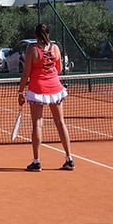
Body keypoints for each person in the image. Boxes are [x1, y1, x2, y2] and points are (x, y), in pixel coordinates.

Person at [16, 23, 74, 172]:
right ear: (48, 34)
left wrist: (20, 92)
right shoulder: (56, 48)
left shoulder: (32, 50)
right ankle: (69, 159)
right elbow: (59, 68)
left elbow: (26, 73)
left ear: (36, 35)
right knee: (61, 122)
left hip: (38, 89)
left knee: (37, 124)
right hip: (55, 87)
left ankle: (36, 162)